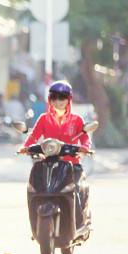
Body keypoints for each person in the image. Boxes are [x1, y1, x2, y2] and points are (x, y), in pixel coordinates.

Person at [19, 81, 91, 214]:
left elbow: (85, 138)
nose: (58, 101)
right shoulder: (43, 119)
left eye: (62, 97)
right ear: (50, 100)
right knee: (36, 188)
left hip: (71, 163)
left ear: (69, 99)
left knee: (78, 190)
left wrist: (84, 147)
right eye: (54, 98)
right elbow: (34, 136)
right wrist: (26, 147)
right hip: (48, 164)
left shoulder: (77, 120)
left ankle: (80, 220)